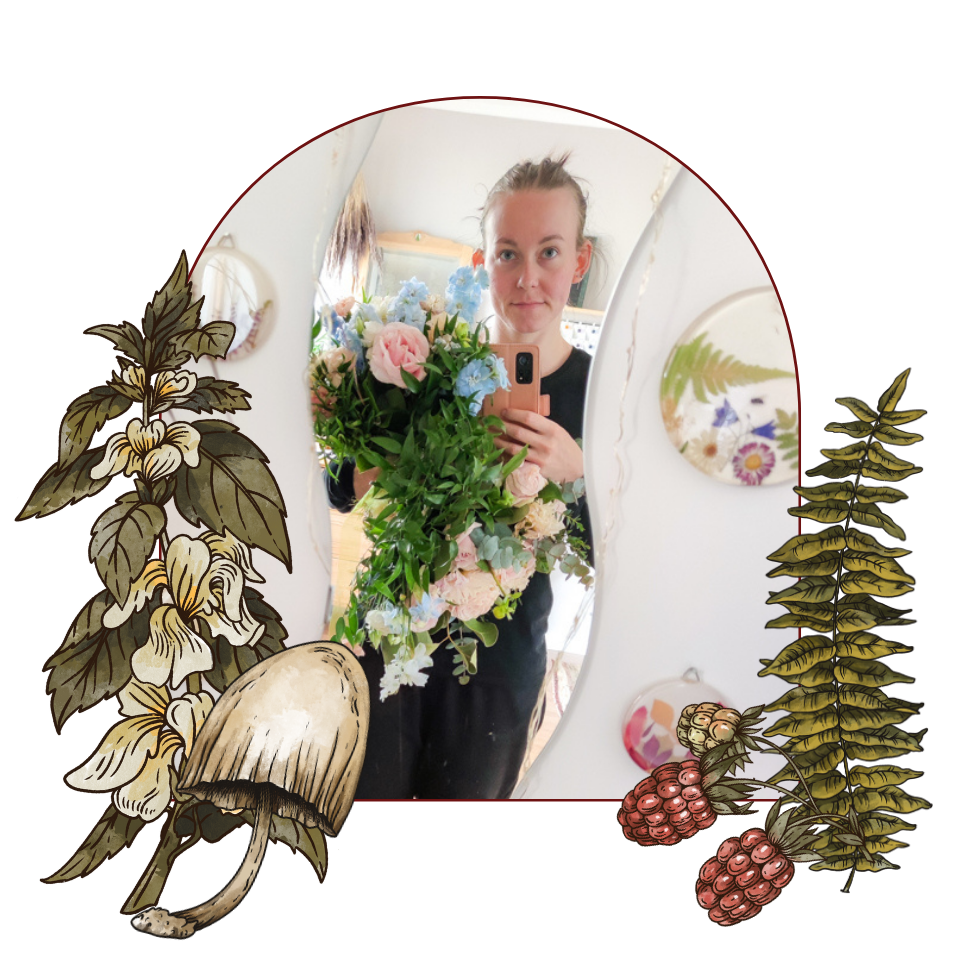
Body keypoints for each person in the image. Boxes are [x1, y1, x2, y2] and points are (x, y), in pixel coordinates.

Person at [325, 154, 595, 798]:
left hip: (499, 663)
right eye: (507, 254)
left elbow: (612, 555)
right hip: (391, 632)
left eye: (549, 252)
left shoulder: (601, 393)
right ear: (482, 262)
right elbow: (336, 489)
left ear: (579, 261)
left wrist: (576, 472)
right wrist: (386, 454)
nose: (528, 278)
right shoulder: (429, 362)